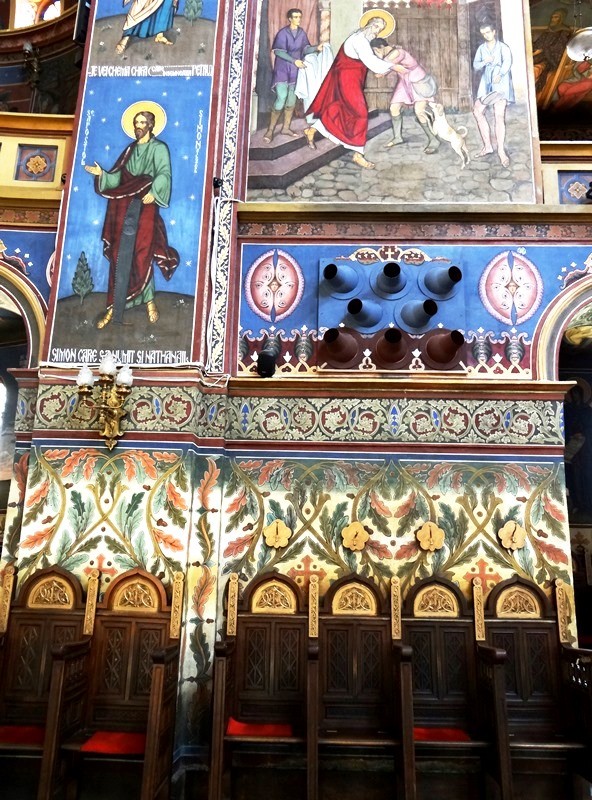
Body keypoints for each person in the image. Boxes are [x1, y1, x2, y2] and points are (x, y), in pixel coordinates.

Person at [85, 109, 179, 328]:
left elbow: (164, 174)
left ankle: (149, 302)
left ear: (150, 125)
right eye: (136, 122)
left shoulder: (159, 148)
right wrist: (103, 175)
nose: (138, 125)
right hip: (124, 206)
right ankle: (113, 308)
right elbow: (120, 176)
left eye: (142, 122)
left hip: (145, 206)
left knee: (142, 253)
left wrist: (154, 193)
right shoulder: (130, 149)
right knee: (119, 255)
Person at [304, 10, 396, 169]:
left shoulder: (362, 40)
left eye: (379, 30)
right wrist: (393, 66)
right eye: (376, 28)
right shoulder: (359, 40)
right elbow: (371, 61)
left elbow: (370, 61)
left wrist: (384, 69)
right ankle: (358, 154)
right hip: (347, 81)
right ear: (369, 25)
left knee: (339, 108)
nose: (377, 32)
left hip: (351, 80)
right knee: (360, 113)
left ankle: (312, 130)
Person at [370, 37, 440, 154]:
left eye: (376, 51)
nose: (376, 54)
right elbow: (386, 68)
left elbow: (385, 65)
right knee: (394, 108)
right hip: (404, 82)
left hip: (417, 81)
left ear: (382, 47)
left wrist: (382, 70)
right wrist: (384, 71)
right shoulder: (391, 54)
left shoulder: (397, 52)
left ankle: (433, 140)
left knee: (419, 111)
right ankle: (398, 137)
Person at [265, 8, 321, 143]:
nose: (298, 19)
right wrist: (294, 61)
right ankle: (270, 130)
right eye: (295, 17)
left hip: (296, 71)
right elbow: (278, 52)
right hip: (283, 69)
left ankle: (286, 128)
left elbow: (306, 49)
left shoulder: (301, 33)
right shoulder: (283, 33)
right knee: (281, 97)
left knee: (291, 100)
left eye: (299, 17)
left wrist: (316, 47)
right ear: (290, 19)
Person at [472, 21, 514, 169]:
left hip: (500, 82)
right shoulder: (481, 48)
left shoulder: (503, 47)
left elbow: (508, 62)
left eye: (488, 32)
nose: (486, 35)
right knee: (477, 111)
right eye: (483, 33)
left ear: (494, 32)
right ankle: (488, 145)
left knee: (499, 115)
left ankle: (501, 150)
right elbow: (476, 66)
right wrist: (484, 61)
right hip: (486, 82)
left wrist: (501, 74)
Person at [532, 9, 572, 97]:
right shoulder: (547, 32)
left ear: (561, 19)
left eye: (556, 17)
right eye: (552, 17)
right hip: (538, 56)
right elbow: (537, 44)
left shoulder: (564, 33)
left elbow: (559, 49)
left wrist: (543, 50)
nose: (553, 19)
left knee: (535, 69)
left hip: (549, 60)